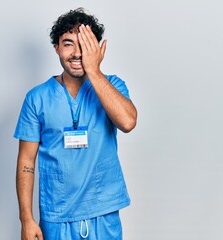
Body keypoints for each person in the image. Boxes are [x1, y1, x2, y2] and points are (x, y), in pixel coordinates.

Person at [14, 8, 137, 240]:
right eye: (69, 44)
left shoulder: (113, 86)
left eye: (85, 45)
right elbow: (26, 161)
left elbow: (128, 121)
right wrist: (26, 219)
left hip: (103, 212)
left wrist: (94, 70)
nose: (77, 53)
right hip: (57, 216)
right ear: (57, 48)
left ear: (97, 49)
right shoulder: (37, 98)